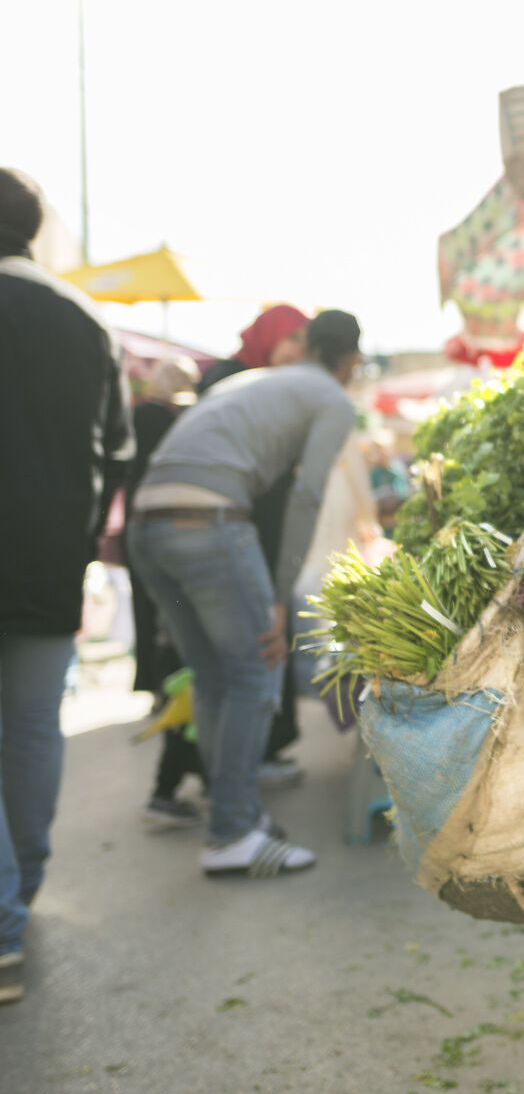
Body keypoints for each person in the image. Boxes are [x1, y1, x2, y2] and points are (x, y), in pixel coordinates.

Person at [126, 309, 363, 879]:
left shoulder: (251, 381)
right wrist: (280, 599)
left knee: (214, 679)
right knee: (258, 668)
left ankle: (233, 817)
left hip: (149, 524)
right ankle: (232, 830)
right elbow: (307, 498)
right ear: (351, 360)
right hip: (207, 522)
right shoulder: (332, 398)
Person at [0, 168, 132, 999]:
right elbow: (118, 449)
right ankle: (25, 887)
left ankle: (3, 921)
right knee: (32, 730)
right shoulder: (84, 320)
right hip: (50, 555)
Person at [198, 304, 311, 785]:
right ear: (272, 336)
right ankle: (233, 781)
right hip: (227, 525)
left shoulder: (282, 387)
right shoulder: (228, 376)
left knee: (260, 641)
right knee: (247, 649)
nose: (296, 355)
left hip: (259, 525)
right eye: (292, 342)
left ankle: (251, 761)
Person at [122, 356, 209, 823]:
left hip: (163, 569)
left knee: (186, 677)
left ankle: (190, 782)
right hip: (173, 577)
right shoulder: (159, 421)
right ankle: (169, 788)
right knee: (187, 681)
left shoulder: (143, 418)